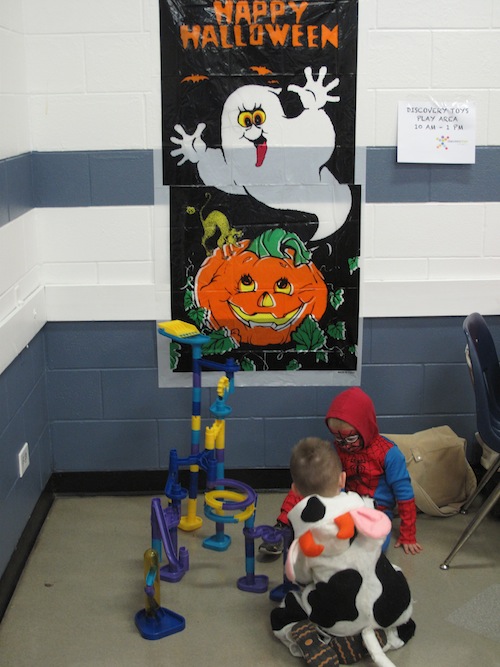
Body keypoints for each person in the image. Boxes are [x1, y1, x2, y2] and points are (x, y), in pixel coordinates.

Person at [270, 437, 416, 667]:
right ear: (343, 479)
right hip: (392, 608)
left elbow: (301, 578)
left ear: (295, 490)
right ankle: (386, 636)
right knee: (390, 571)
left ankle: (321, 638)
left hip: (341, 620)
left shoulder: (306, 533)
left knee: (289, 605)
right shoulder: (364, 507)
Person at [260, 387, 422, 556]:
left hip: (375, 510)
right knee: (307, 481)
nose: (345, 445)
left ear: (365, 428)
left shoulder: (389, 454)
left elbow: (404, 494)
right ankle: (282, 528)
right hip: (340, 502)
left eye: (350, 438)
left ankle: (344, 547)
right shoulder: (338, 449)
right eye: (338, 438)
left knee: (377, 543)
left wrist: (408, 534)